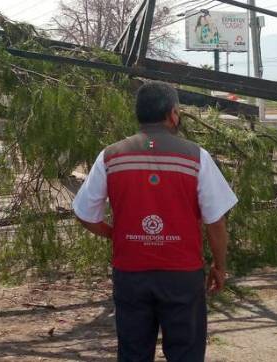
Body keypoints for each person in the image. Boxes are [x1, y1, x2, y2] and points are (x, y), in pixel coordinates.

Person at [72, 81, 237, 361]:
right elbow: (216, 221)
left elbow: (85, 213)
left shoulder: (110, 156)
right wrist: (219, 266)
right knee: (186, 353)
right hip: (182, 276)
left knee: (133, 353)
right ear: (173, 114)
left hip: (131, 274)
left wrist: (117, 234)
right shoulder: (197, 157)